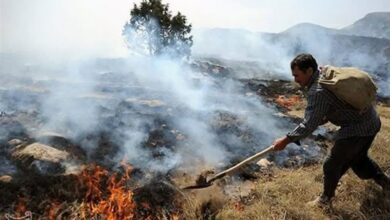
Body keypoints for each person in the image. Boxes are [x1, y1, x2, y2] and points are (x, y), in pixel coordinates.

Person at [272, 53, 389, 209]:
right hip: (372, 121)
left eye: (297, 75)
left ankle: (324, 200)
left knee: (331, 164)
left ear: (309, 71)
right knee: (359, 160)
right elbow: (336, 103)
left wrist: (285, 141)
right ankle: (387, 184)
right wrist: (325, 116)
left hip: (357, 129)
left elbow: (308, 125)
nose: (295, 80)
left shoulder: (317, 91)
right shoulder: (325, 73)